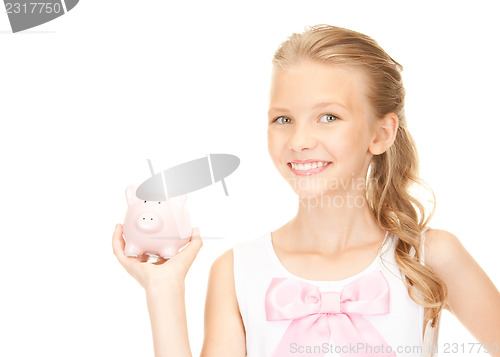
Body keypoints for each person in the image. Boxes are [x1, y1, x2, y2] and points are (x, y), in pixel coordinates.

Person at [112, 25, 500, 357]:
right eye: (283, 119)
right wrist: (163, 288)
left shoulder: (430, 256)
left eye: (328, 117)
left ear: (381, 134)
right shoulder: (236, 271)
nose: (299, 140)